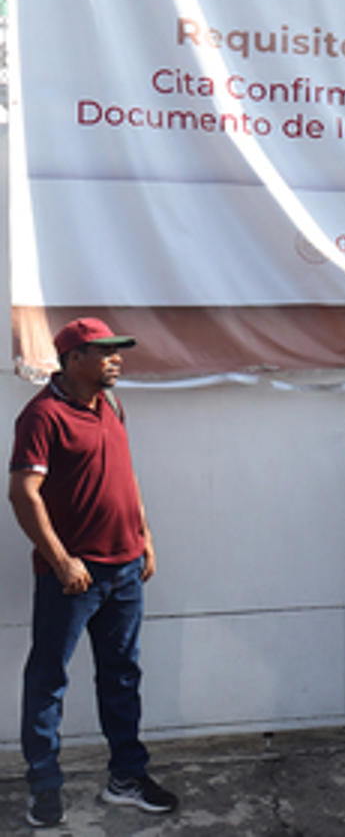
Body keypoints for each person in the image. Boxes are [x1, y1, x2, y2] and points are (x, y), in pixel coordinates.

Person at [10, 318, 178, 828]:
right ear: (73, 357)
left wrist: (144, 537)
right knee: (48, 680)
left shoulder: (110, 406)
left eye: (117, 350)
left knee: (122, 675)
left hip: (126, 569)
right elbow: (23, 493)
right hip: (73, 579)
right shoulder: (42, 416)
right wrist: (62, 560)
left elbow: (125, 477)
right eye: (105, 351)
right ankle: (43, 787)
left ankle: (126, 778)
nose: (117, 358)